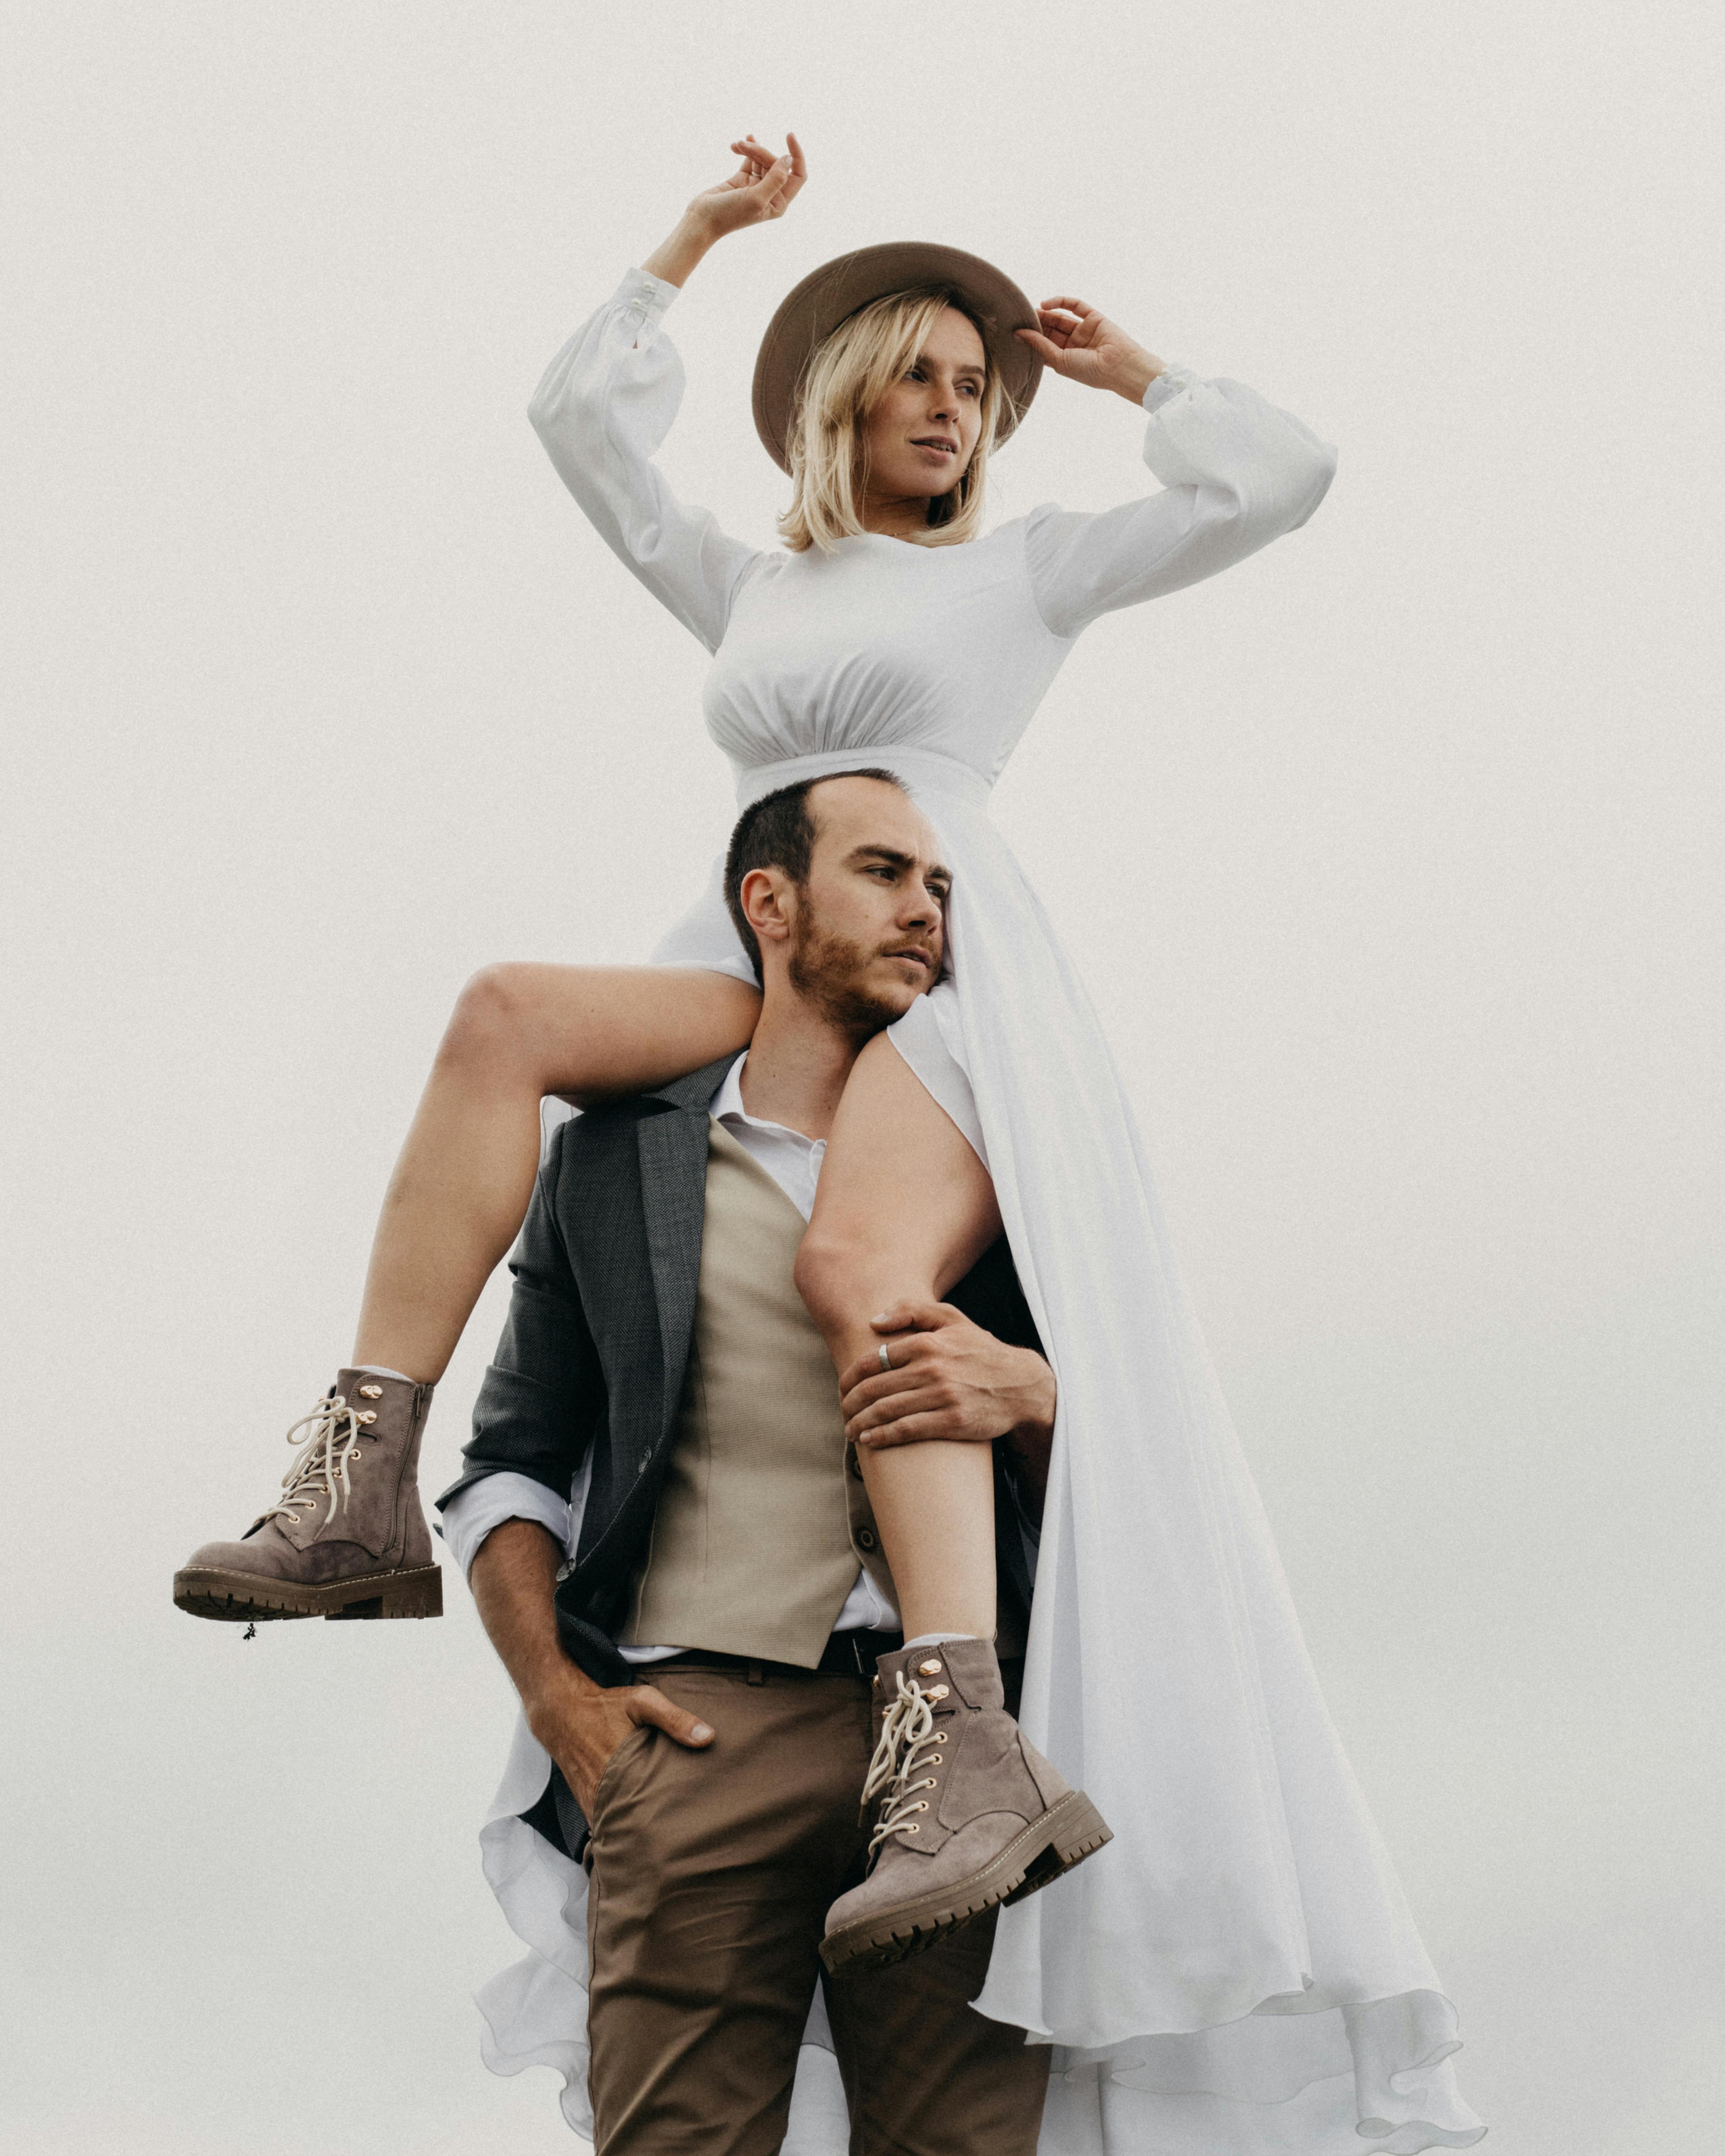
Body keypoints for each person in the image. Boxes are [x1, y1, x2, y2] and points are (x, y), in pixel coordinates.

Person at [177, 135, 1483, 2149]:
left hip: (941, 965)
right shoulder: (757, 584)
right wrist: (694, 241)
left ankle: (952, 1721)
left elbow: (1276, 479)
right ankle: (357, 1473)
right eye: (923, 369)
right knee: (503, 1018)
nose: (958, 400)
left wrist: (1130, 369)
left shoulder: (1026, 569)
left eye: (980, 378)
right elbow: (577, 433)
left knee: (860, 1276)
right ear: (842, 394)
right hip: (765, 936)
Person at [451, 768, 1086, 2153]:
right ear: (770, 904)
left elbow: (1151, 1443)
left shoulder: (1015, 1156)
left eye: (941, 886)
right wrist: (563, 1701)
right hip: (696, 1741)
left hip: (963, 1768)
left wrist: (1030, 1392)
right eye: (884, 873)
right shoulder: (615, 1164)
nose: (927, 909)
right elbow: (507, 1465)